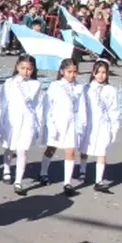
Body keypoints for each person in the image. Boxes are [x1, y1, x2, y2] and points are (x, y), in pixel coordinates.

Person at [40, 58, 88, 196]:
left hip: (72, 123)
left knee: (70, 151)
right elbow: (48, 106)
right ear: (62, 71)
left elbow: (82, 107)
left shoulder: (79, 87)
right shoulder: (55, 86)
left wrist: (82, 124)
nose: (72, 75)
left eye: (74, 72)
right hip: (57, 121)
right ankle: (43, 172)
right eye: (69, 72)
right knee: (51, 148)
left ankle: (67, 182)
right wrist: (50, 124)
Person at [0, 54, 43, 195]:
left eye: (29, 69)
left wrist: (38, 122)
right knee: (9, 147)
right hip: (11, 119)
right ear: (17, 67)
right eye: (23, 68)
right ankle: (7, 169)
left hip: (27, 120)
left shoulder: (36, 84)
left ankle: (18, 181)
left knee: (22, 150)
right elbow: (3, 102)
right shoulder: (9, 83)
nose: (26, 71)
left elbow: (38, 105)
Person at [78, 59, 120, 192]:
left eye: (104, 72)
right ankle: (82, 170)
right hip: (89, 122)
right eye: (98, 72)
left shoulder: (111, 90)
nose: (101, 75)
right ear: (93, 73)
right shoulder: (86, 88)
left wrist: (114, 127)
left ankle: (99, 180)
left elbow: (114, 109)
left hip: (103, 124)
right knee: (85, 148)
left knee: (102, 151)